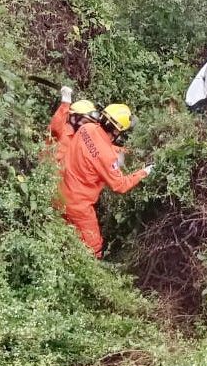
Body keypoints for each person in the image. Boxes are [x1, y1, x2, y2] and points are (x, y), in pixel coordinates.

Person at [58, 103, 153, 258]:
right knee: (93, 247)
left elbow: (95, 148)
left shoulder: (86, 129)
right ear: (116, 130)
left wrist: (124, 152)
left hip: (59, 190)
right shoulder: (107, 157)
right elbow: (120, 185)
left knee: (64, 233)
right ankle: (89, 276)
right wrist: (145, 172)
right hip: (78, 204)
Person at [48, 86, 99, 164]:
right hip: (46, 172)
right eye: (85, 122)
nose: (86, 126)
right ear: (73, 118)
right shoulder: (62, 130)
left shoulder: (81, 139)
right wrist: (65, 103)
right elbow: (55, 127)